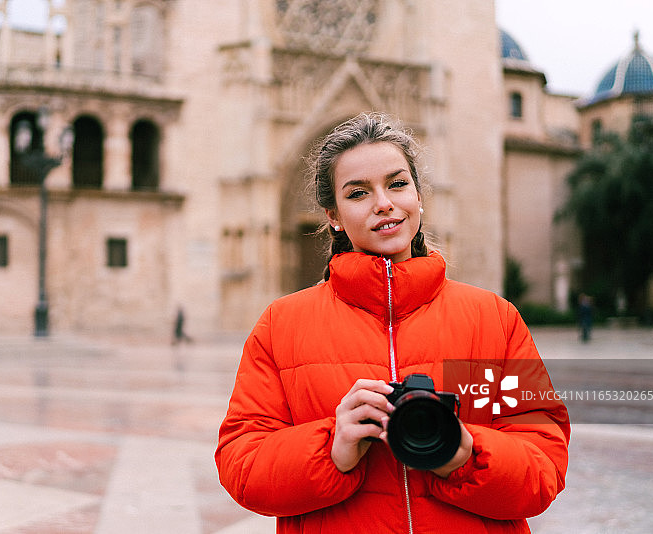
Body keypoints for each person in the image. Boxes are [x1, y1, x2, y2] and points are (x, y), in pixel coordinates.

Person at [215, 113, 570, 533]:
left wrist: (462, 453)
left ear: (419, 196)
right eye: (358, 193)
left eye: (397, 184)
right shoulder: (281, 325)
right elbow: (242, 466)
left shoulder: (495, 318)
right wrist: (333, 446)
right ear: (332, 215)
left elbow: (545, 466)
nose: (383, 203)